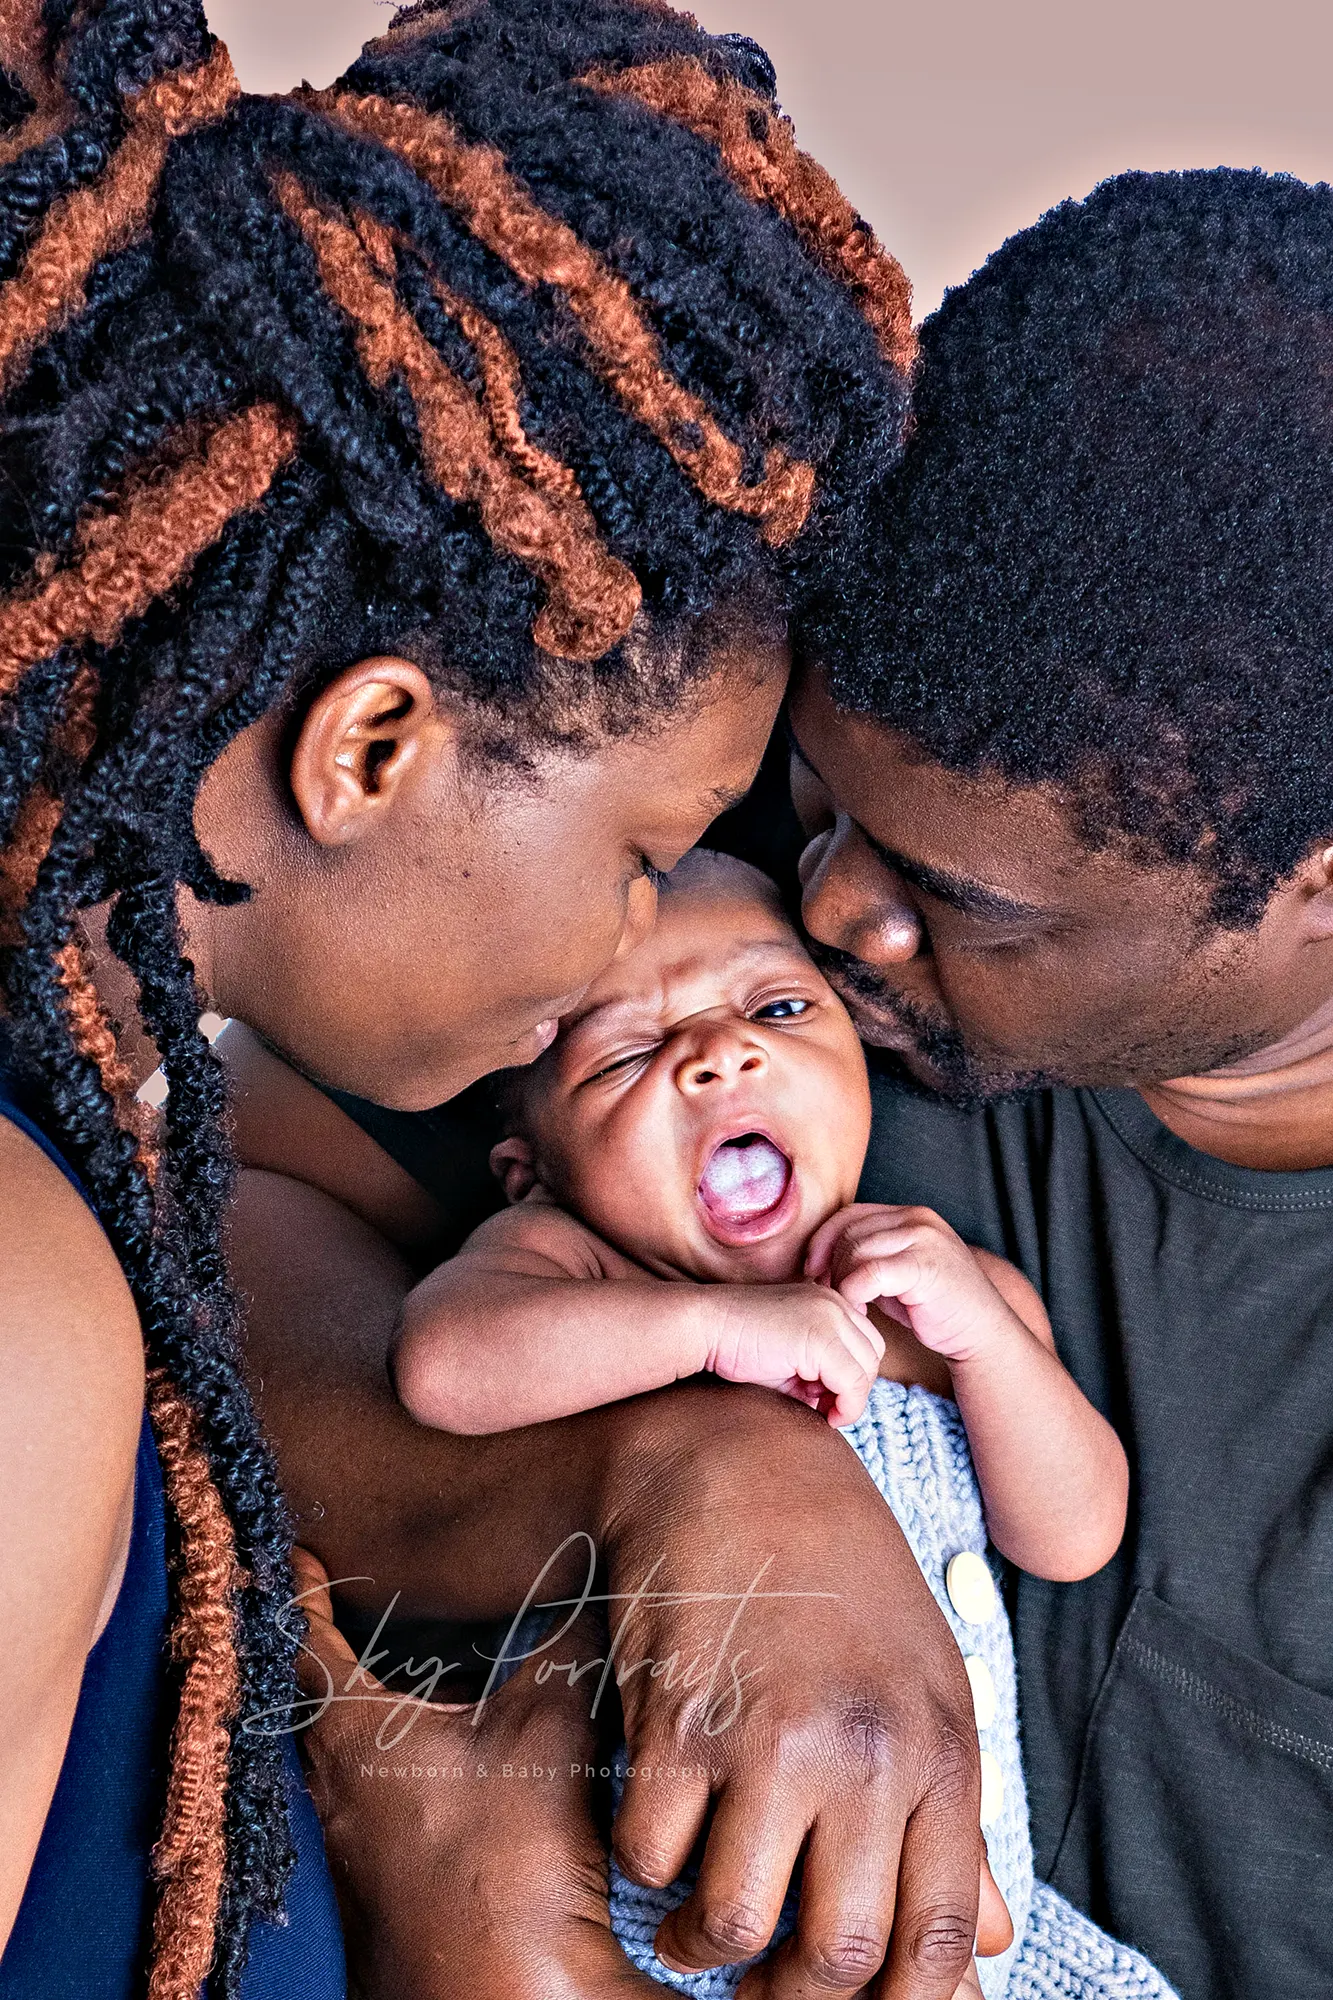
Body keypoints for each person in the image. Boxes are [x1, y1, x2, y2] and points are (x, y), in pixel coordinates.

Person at [0, 0, 917, 1992]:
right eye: (633, 854)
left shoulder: (98, 1133)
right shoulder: (14, 1300)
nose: (627, 955)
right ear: (375, 749)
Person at [787, 167, 1333, 2000]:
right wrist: (686, 1472)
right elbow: (266, 1221)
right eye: (822, 803)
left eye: (950, 897)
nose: (830, 909)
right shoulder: (750, 909)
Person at [387, 847, 1169, 2000]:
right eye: (630, 1053)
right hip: (659, 1906)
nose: (718, 1052)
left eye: (779, 1006)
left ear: (859, 1062)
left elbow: (1074, 1532)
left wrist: (991, 1342)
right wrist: (706, 1330)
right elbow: (440, 1368)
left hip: (961, 1907)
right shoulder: (576, 1263)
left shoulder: (940, 1287)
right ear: (530, 1171)